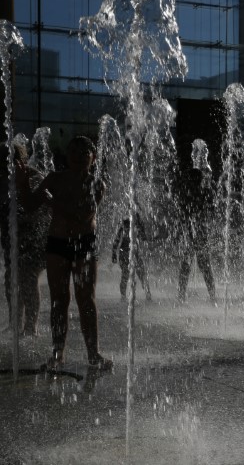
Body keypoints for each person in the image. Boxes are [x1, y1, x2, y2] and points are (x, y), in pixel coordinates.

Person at [16, 136, 113, 370]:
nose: (78, 156)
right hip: (57, 245)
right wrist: (22, 183)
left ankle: (93, 354)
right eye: (73, 151)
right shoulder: (54, 179)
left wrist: (52, 203)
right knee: (59, 300)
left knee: (85, 300)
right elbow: (29, 205)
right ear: (67, 156)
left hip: (84, 245)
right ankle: (58, 354)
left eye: (84, 152)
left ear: (93, 157)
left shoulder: (97, 183)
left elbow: (83, 215)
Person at [1, 144, 49, 336]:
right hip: (11, 237)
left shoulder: (34, 177)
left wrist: (26, 219)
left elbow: (45, 208)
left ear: (19, 161)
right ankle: (15, 323)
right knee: (10, 279)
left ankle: (30, 326)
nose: (4, 168)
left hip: (34, 237)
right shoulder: (2, 178)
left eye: (7, 163)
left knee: (28, 279)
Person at [177, 167, 216, 303]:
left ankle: (182, 295)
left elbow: (183, 213)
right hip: (198, 232)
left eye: (194, 179)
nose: (192, 182)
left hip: (193, 232)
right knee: (202, 264)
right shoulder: (204, 192)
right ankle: (212, 297)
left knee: (190, 264)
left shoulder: (189, 193)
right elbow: (212, 211)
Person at [111, 214, 152, 302]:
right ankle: (123, 296)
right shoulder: (124, 228)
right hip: (126, 254)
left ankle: (147, 295)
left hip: (134, 254)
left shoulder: (135, 228)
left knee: (140, 274)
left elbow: (144, 239)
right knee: (128, 275)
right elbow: (116, 241)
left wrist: (114, 254)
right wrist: (114, 254)